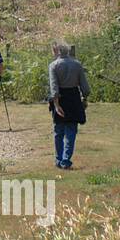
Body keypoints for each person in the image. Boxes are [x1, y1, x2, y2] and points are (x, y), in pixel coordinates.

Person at [48, 41, 90, 169]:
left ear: (57, 51)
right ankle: (66, 160)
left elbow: (54, 87)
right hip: (73, 97)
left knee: (58, 131)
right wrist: (84, 98)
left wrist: (56, 104)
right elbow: (85, 86)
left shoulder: (54, 65)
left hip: (60, 98)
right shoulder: (77, 64)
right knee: (71, 130)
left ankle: (58, 159)